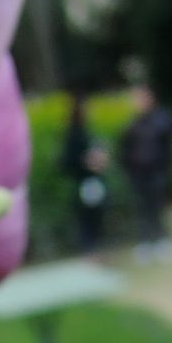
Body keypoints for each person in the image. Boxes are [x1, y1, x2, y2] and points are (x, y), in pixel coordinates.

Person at [120, 84, 172, 262]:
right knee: (142, 208)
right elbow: (124, 149)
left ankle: (162, 240)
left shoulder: (162, 120)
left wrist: (165, 168)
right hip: (138, 173)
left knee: (157, 206)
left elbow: (169, 147)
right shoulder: (132, 124)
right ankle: (145, 242)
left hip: (157, 170)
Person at [59, 92, 111, 256]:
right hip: (84, 183)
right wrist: (87, 163)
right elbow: (68, 162)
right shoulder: (74, 135)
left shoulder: (88, 132)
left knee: (96, 217)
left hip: (95, 181)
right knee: (87, 219)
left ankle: (96, 249)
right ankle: (89, 251)